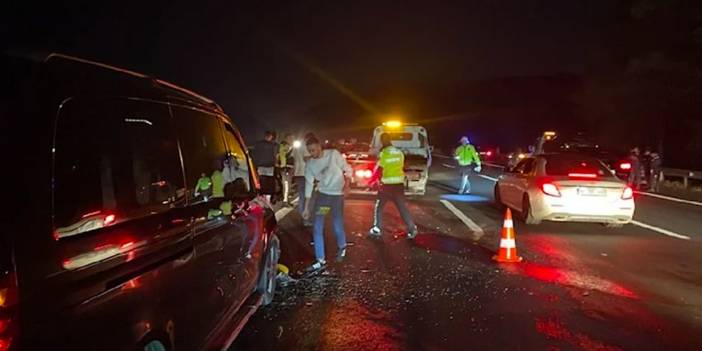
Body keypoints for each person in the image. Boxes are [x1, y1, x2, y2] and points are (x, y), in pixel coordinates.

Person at [302, 137, 352, 273]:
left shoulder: (333, 154)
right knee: (318, 227)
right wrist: (306, 208)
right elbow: (308, 186)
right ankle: (320, 260)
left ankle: (342, 246)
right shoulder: (311, 164)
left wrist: (347, 186)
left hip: (337, 197)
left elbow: (347, 169)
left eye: (313, 150)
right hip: (323, 198)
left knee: (337, 225)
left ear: (319, 146)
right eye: (310, 151)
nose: (312, 153)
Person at [368, 133, 418, 239]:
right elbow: (402, 166)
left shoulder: (384, 153)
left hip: (386, 186)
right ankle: (412, 229)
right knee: (402, 208)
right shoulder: (399, 152)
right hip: (399, 185)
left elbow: (379, 170)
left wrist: (372, 181)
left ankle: (377, 229)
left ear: (382, 141)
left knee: (379, 208)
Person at [249, 131, 278, 201]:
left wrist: (255, 165)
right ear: (270, 137)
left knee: (262, 182)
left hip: (261, 167)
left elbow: (254, 155)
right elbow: (275, 156)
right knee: (269, 183)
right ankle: (267, 199)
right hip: (270, 166)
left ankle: (262, 197)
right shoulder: (273, 145)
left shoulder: (257, 144)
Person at [292, 133, 312, 218]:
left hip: (297, 173)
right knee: (307, 196)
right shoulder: (306, 147)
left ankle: (301, 214)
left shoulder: (297, 147)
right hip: (305, 173)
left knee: (301, 195)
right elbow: (307, 159)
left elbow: (293, 157)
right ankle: (305, 216)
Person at [278, 133, 295, 204]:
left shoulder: (286, 145)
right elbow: (284, 155)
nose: (292, 140)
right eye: (291, 138)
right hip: (286, 168)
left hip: (288, 167)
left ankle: (286, 199)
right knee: (286, 184)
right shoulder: (284, 145)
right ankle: (285, 201)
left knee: (287, 184)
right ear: (287, 138)